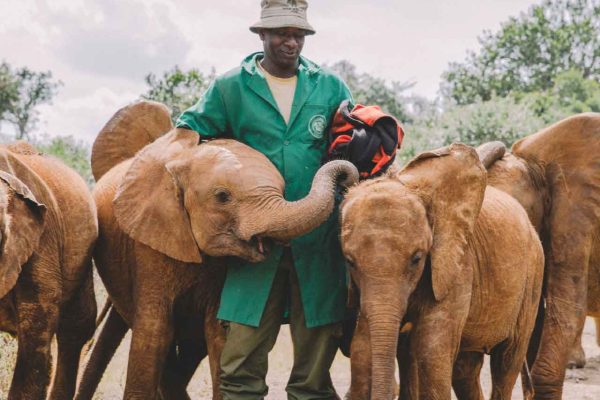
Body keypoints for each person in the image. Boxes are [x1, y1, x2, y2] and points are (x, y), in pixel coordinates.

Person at [176, 1, 352, 398]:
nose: (291, 43)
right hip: (254, 242)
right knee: (239, 367)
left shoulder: (330, 87)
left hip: (317, 240)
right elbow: (190, 134)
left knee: (315, 374)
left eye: (298, 35)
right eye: (281, 34)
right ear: (261, 34)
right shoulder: (231, 87)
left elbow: (350, 145)